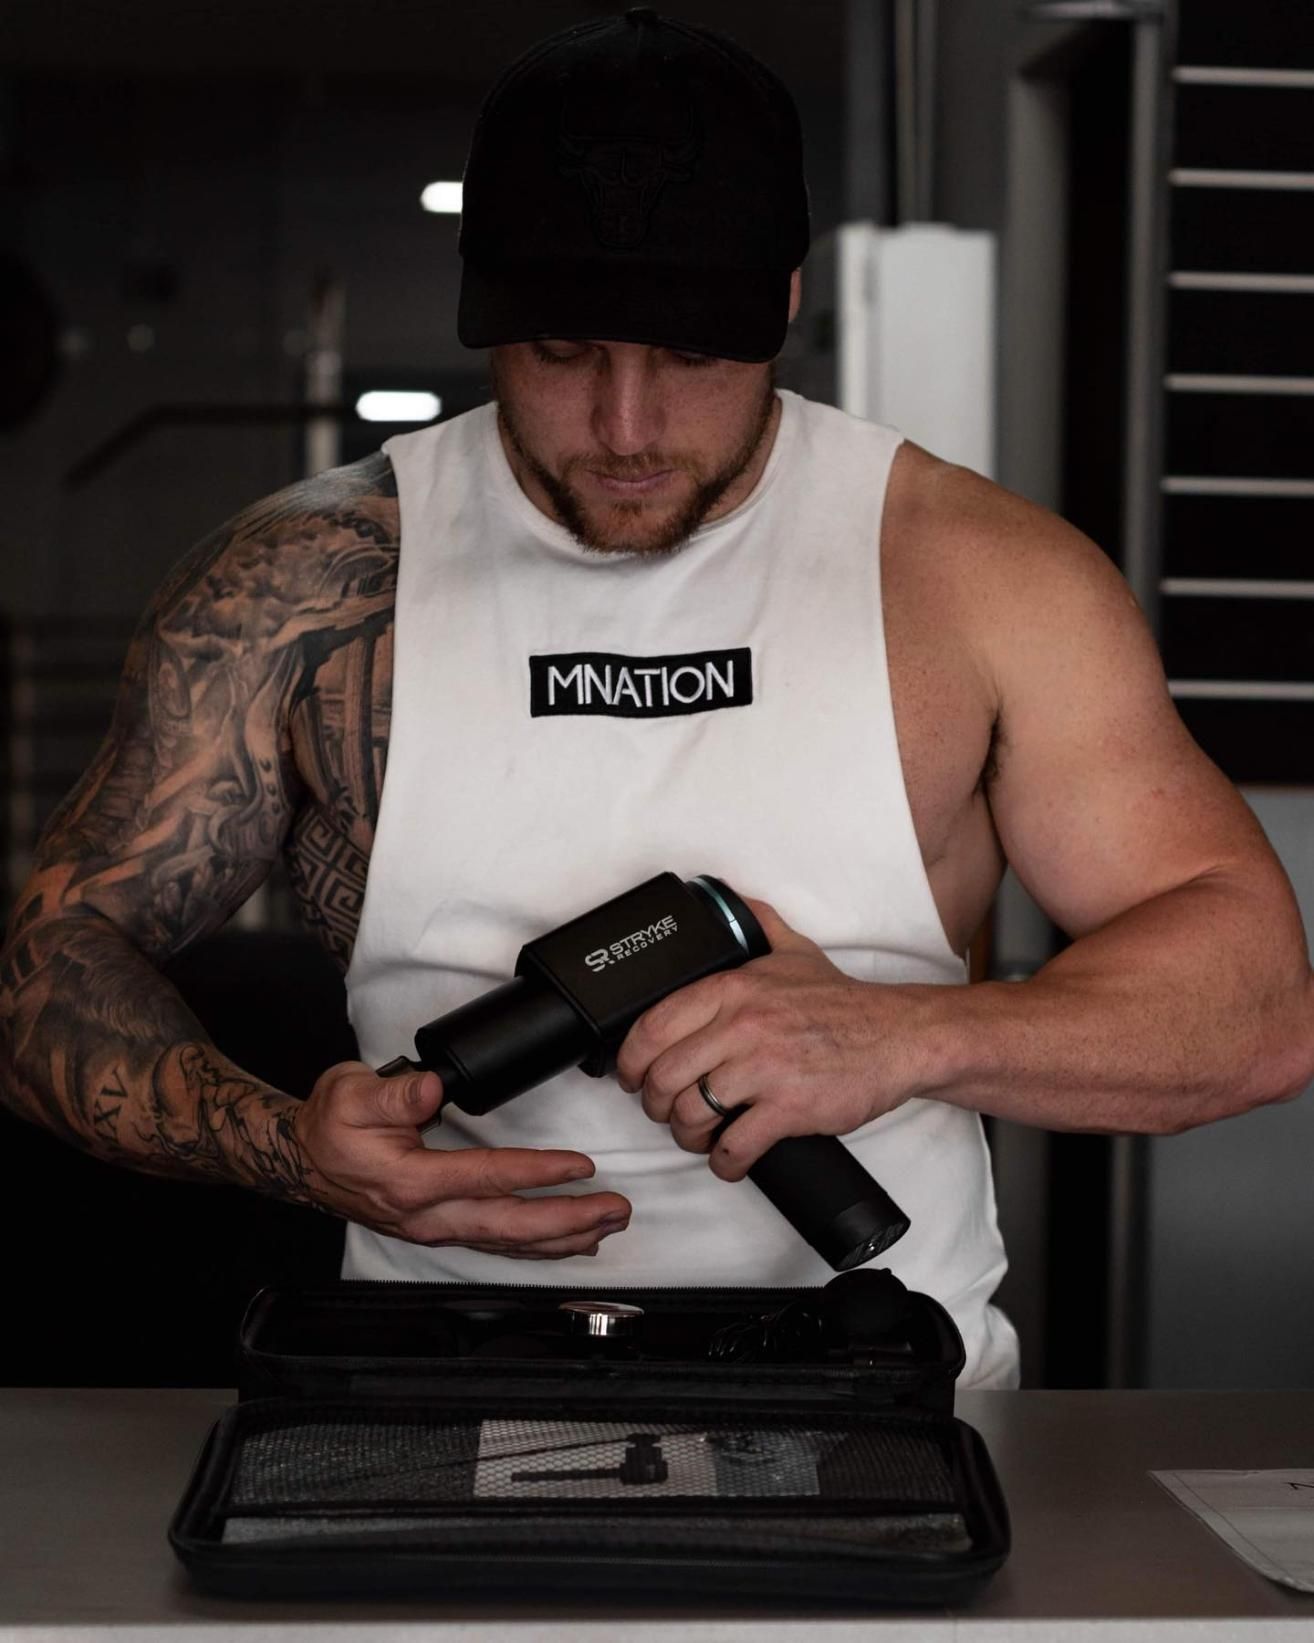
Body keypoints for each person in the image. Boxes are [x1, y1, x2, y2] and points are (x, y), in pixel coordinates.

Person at [1, 10, 1310, 1389]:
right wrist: (284, 1145)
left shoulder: (983, 579)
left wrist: (908, 1033)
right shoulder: (297, 587)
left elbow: (1257, 1007)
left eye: (690, 355)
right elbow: (48, 966)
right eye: (564, 351)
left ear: (783, 301)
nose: (626, 426)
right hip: (437, 1383)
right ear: (484, 307)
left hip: (878, 1388)